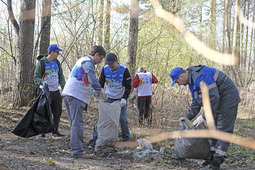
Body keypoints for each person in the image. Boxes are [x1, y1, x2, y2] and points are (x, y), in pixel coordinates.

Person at [169, 65, 241, 170]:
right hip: (218, 98)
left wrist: (203, 116)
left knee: (223, 128)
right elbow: (196, 102)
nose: (178, 84)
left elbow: (213, 97)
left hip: (228, 96)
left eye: (177, 82)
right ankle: (211, 157)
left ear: (181, 76)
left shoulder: (199, 76)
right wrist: (187, 117)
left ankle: (216, 163)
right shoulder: (191, 81)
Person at [62, 45, 106, 158]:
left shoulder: (82, 61)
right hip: (75, 96)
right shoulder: (88, 62)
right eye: (101, 58)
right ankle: (77, 151)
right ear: (96, 55)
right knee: (78, 125)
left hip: (70, 94)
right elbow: (92, 79)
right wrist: (100, 90)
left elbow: (83, 81)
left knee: (75, 124)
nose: (100, 61)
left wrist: (93, 92)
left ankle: (75, 149)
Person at [34, 44, 66, 138]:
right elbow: (36, 77)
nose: (58, 54)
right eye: (57, 52)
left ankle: (55, 131)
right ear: (52, 52)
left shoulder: (57, 62)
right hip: (45, 91)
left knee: (57, 111)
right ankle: (42, 132)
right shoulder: (42, 63)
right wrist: (43, 82)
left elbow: (61, 75)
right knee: (44, 111)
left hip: (55, 90)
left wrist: (64, 87)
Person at [99, 53, 132, 141]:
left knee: (122, 119)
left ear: (116, 61)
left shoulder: (124, 70)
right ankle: (100, 138)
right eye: (109, 64)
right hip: (109, 97)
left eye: (112, 64)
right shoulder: (105, 69)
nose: (111, 66)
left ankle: (126, 138)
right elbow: (100, 83)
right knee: (105, 118)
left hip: (120, 98)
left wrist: (124, 98)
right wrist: (98, 94)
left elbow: (128, 86)